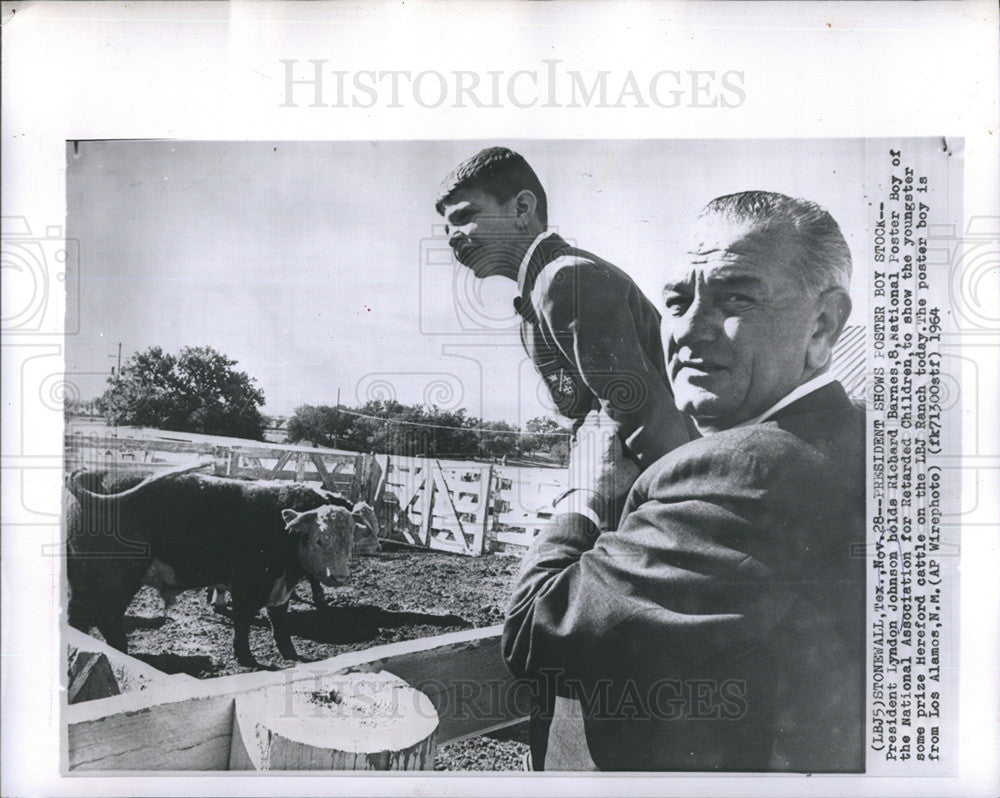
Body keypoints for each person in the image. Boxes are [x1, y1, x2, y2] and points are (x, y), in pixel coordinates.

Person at [503, 191, 866, 772]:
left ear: (823, 325)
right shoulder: (853, 441)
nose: (690, 329)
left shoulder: (745, 471)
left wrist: (586, 488)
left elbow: (537, 626)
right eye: (675, 301)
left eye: (735, 298)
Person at [435, 146, 693, 478]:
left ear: (522, 208)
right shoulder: (535, 298)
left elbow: (645, 418)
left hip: (663, 484)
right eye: (445, 230)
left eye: (464, 216)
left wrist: (672, 506)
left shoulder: (566, 279)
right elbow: (584, 417)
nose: (452, 239)